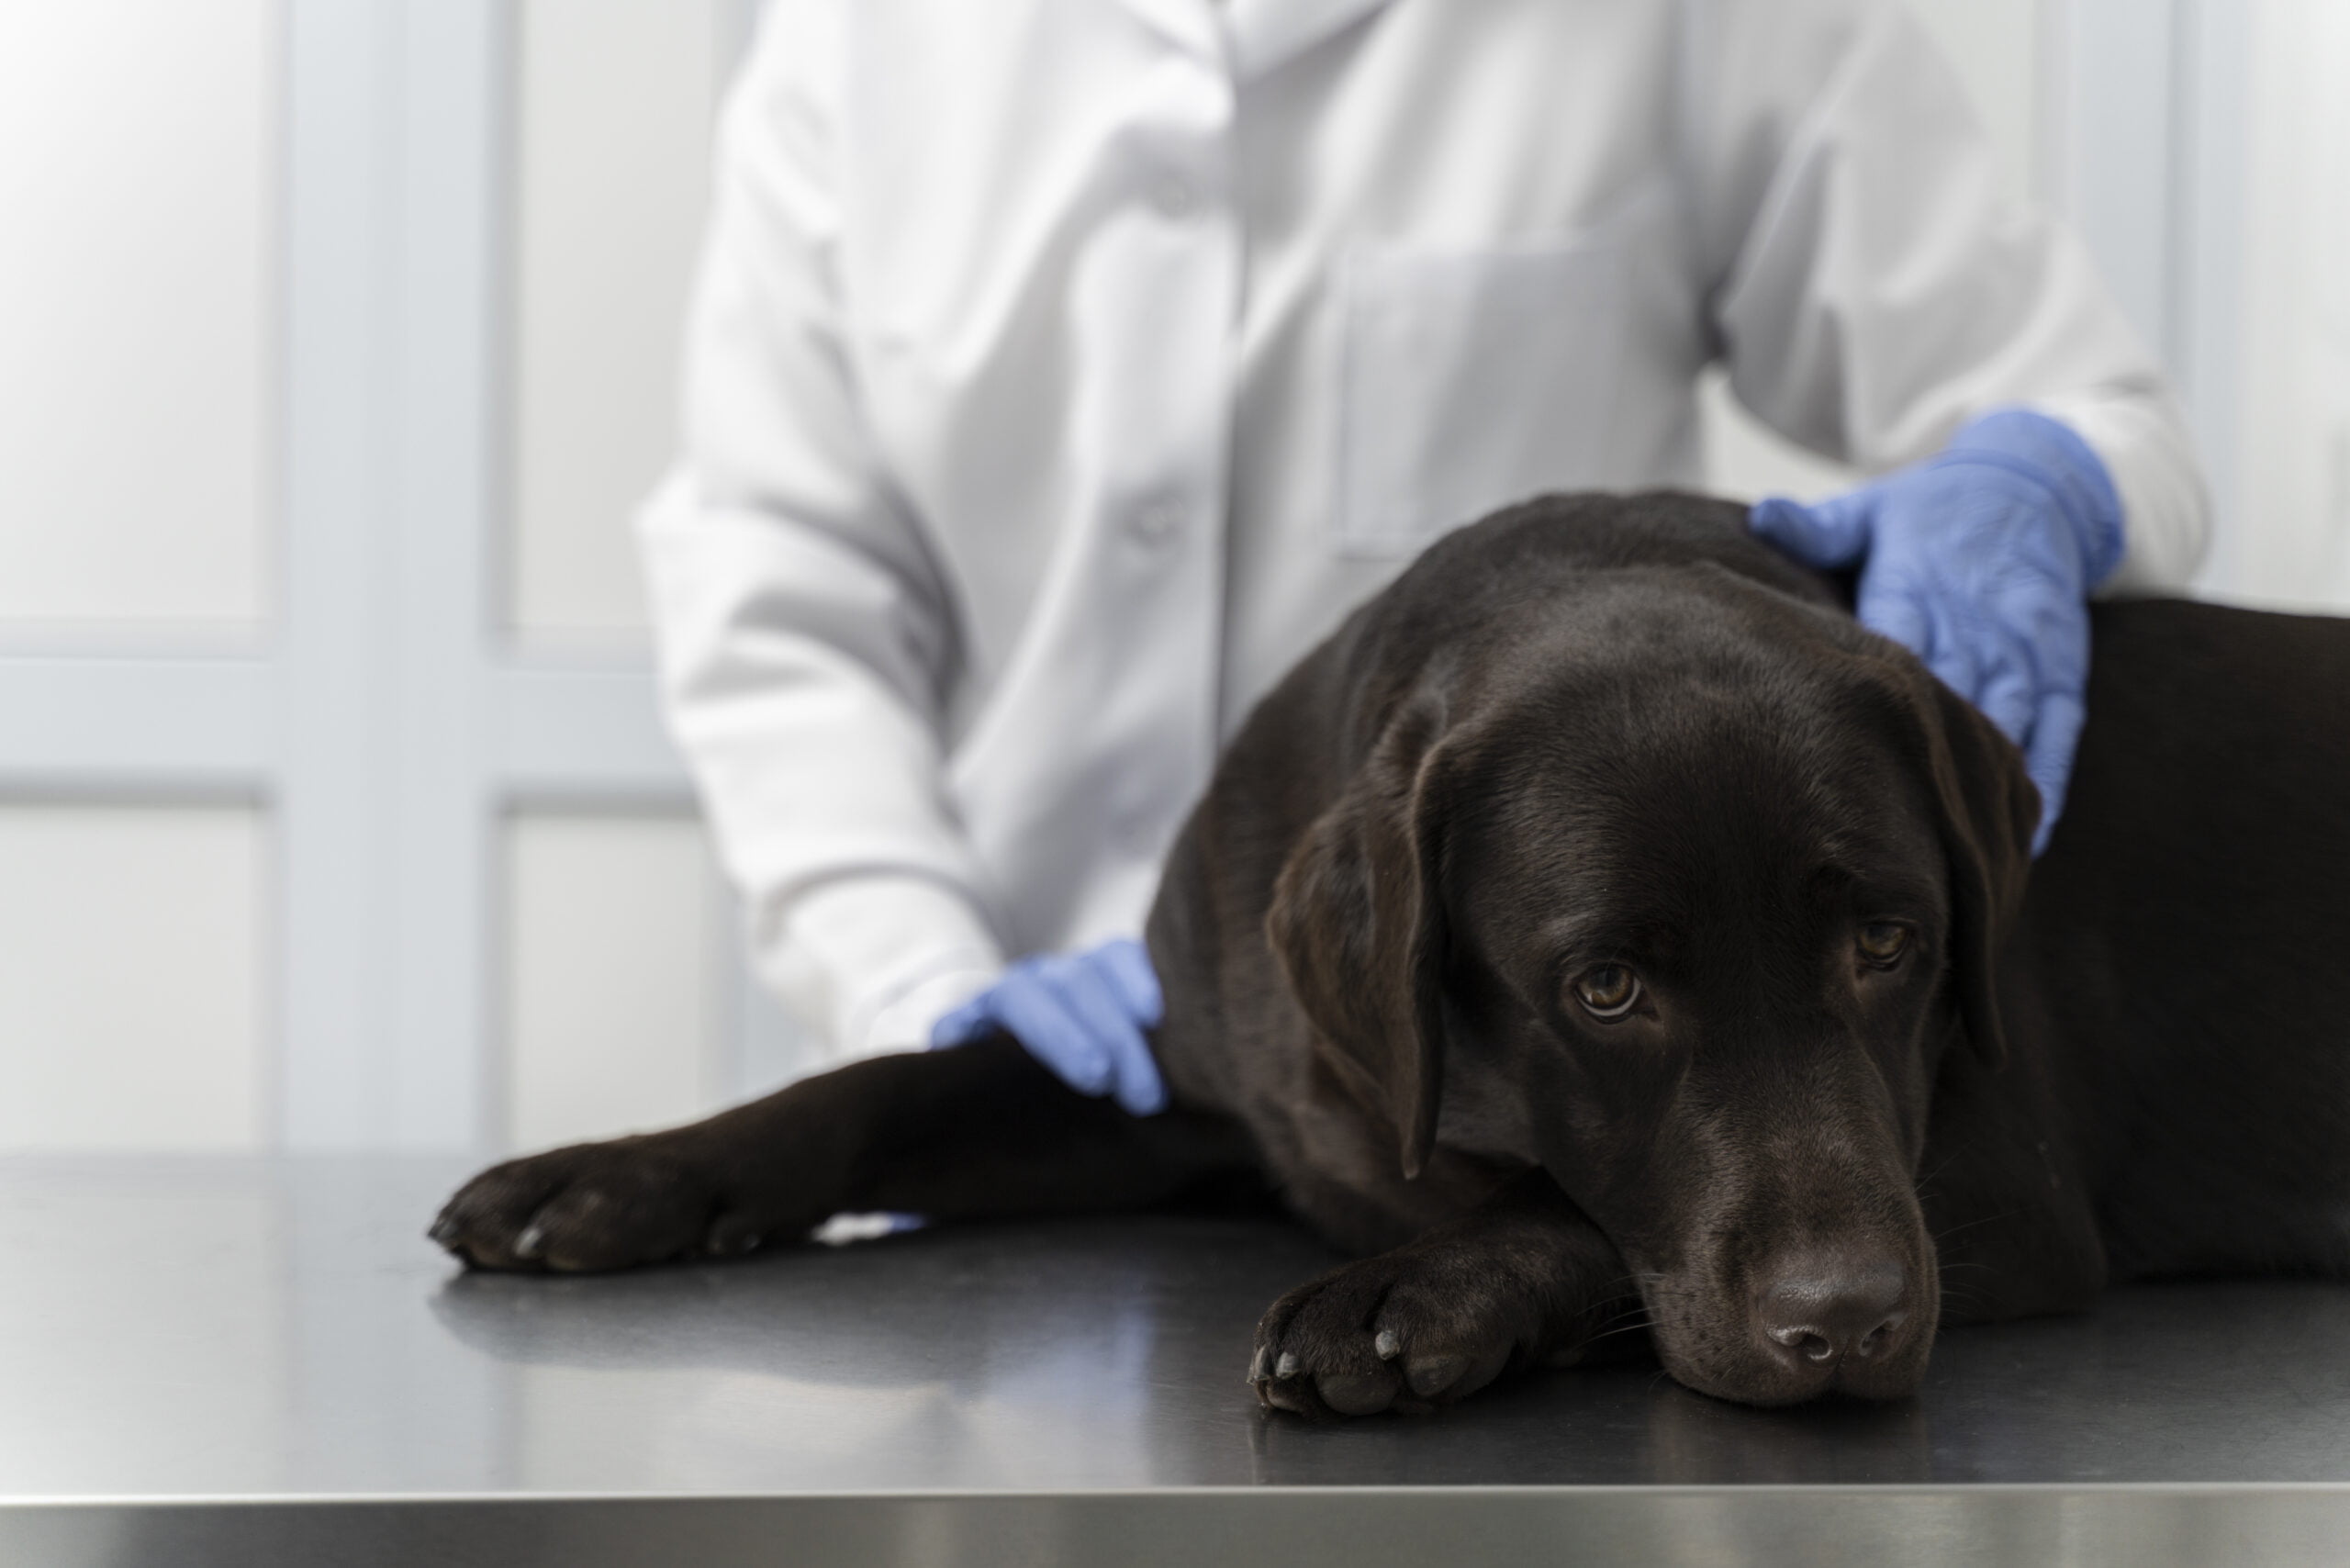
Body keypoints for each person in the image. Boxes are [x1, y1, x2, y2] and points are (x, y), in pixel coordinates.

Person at [636, 0, 2209, 1116]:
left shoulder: (1699, 18)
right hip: (1037, 1083)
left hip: (1511, 1128)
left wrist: (2038, 472)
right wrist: (918, 994)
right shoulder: (854, 41)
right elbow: (784, 581)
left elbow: (2086, 401)